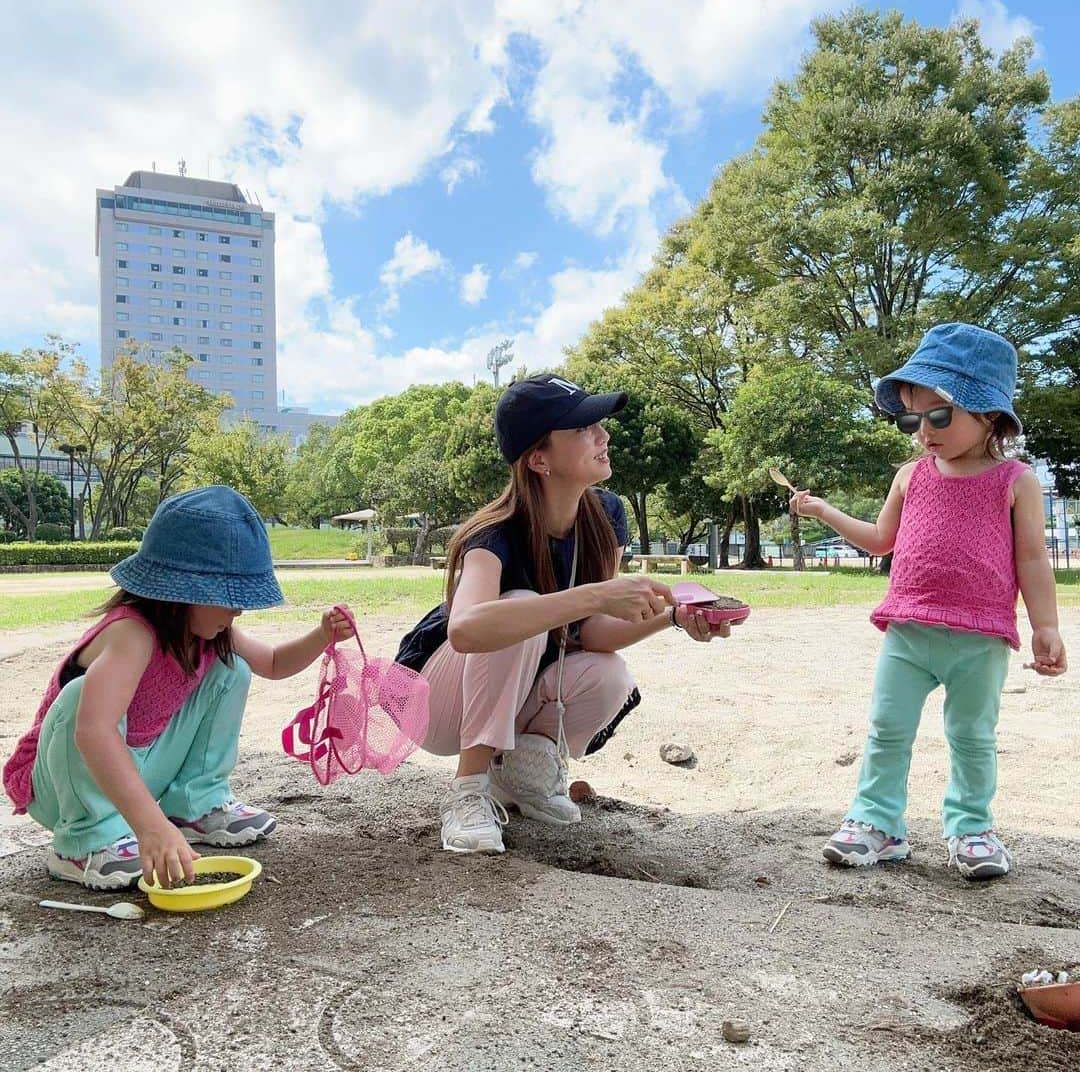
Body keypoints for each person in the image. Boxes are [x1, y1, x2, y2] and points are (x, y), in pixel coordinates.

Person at [396, 372, 736, 855]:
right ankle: (468, 791)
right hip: (432, 700)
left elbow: (592, 633)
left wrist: (674, 617)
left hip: (513, 680)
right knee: (517, 610)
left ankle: (519, 780)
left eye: (597, 424)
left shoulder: (605, 517)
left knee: (608, 675)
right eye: (581, 429)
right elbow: (468, 629)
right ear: (538, 458)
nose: (603, 435)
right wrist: (595, 595)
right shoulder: (493, 533)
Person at [789, 323, 1067, 880]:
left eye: (939, 415)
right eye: (911, 418)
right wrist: (823, 512)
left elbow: (1033, 558)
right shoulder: (909, 476)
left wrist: (1046, 626)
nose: (923, 431)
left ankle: (971, 828)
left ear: (988, 414)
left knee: (971, 736)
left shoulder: (1016, 480)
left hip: (981, 635)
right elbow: (879, 539)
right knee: (887, 726)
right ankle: (878, 823)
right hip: (908, 629)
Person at [2, 486, 352, 891]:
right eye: (229, 598)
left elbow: (272, 663)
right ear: (183, 593)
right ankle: (84, 840)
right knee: (83, 699)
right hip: (65, 784)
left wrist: (321, 635)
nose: (238, 610)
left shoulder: (206, 632)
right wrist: (151, 829)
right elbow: (93, 733)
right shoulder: (130, 633)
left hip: (138, 769)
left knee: (231, 669)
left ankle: (192, 805)